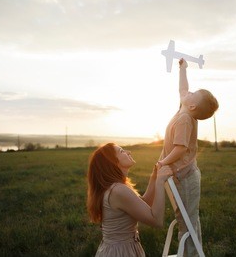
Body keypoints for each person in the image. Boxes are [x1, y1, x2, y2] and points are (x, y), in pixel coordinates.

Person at [156, 58, 219, 256]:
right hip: (181, 175)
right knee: (185, 218)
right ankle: (189, 252)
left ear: (192, 106)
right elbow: (183, 89)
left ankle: (191, 254)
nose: (188, 93)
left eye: (193, 94)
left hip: (185, 177)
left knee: (188, 221)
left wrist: (163, 162)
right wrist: (183, 69)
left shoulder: (184, 118)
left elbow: (180, 149)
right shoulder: (184, 109)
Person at [87, 143, 173, 257]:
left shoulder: (116, 187)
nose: (129, 152)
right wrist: (160, 182)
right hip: (120, 252)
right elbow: (156, 221)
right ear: (113, 162)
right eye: (122, 151)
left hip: (118, 249)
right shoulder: (118, 190)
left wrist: (154, 177)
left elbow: (142, 204)